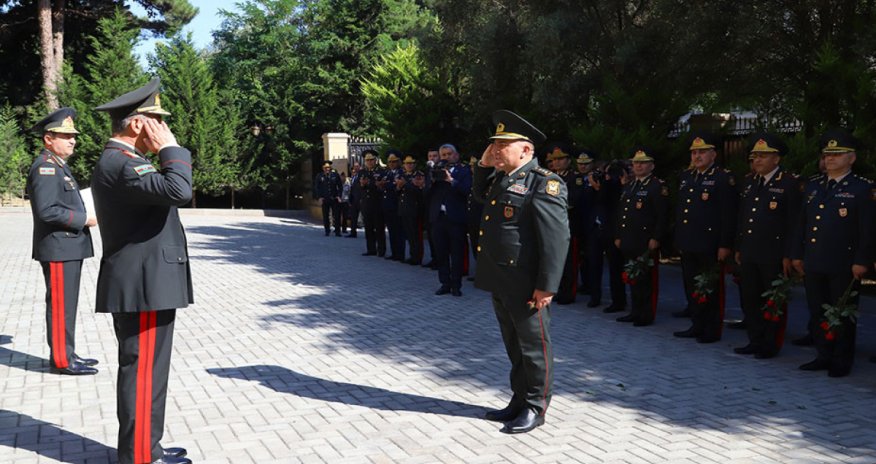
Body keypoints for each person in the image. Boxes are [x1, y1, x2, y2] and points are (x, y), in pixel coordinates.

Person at [91, 77, 193, 464]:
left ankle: (145, 446)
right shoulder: (121, 163)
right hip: (144, 283)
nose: (164, 128)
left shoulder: (124, 161)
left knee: (147, 369)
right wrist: (170, 148)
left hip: (145, 281)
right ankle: (140, 456)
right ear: (138, 124)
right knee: (144, 370)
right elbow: (179, 190)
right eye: (157, 121)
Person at [473, 110, 568, 434]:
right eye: (494, 144)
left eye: (503, 145)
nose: (496, 150)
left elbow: (556, 240)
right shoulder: (503, 178)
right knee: (514, 345)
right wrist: (484, 164)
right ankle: (519, 399)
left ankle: (536, 407)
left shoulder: (545, 183)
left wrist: (547, 286)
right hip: (502, 280)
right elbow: (478, 194)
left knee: (534, 347)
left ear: (525, 150)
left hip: (528, 284)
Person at [791, 128, 874, 377]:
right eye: (827, 154)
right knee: (818, 310)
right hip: (814, 260)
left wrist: (862, 261)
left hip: (844, 263)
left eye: (837, 154)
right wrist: (797, 254)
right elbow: (801, 224)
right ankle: (823, 354)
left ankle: (841, 359)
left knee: (842, 312)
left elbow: (868, 230)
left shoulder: (862, 189)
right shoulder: (814, 187)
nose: (830, 158)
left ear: (852, 158)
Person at [25, 107, 99, 375]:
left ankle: (66, 351)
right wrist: (84, 219)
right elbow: (47, 210)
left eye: (73, 135)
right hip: (59, 247)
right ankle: (62, 360)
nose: (73, 140)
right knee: (60, 306)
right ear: (48, 139)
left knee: (67, 306)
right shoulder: (45, 168)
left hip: (66, 246)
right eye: (65, 135)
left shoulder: (57, 166)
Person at [733, 133, 802, 359]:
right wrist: (739, 247)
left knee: (772, 300)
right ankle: (755, 340)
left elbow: (794, 223)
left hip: (774, 254)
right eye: (755, 156)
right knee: (750, 298)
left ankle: (771, 344)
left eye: (763, 156)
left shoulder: (789, 183)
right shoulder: (750, 181)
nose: (757, 160)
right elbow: (743, 217)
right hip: (751, 251)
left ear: (776, 159)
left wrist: (789, 255)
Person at [673, 132, 738, 343]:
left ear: (714, 154)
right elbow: (682, 211)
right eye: (694, 152)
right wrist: (680, 239)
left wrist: (725, 244)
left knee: (711, 289)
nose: (697, 156)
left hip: (710, 245)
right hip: (689, 242)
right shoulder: (686, 177)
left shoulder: (722, 178)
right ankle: (696, 324)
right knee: (692, 286)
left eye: (702, 152)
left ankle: (712, 329)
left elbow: (728, 215)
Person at [614, 148, 669, 326]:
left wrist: (656, 237)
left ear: (651, 166)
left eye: (643, 163)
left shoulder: (656, 186)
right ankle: (635, 311)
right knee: (633, 277)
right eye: (636, 163)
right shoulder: (630, 185)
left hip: (646, 240)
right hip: (629, 239)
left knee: (646, 280)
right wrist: (619, 235)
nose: (638, 166)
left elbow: (662, 216)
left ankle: (646, 314)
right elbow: (622, 213)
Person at [428, 144, 471, 296]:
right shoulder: (435, 172)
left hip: (455, 219)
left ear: (456, 155)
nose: (446, 157)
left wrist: (451, 180)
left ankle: (456, 285)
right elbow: (427, 193)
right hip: (438, 218)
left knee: (457, 253)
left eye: (449, 154)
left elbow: (466, 190)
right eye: (443, 155)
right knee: (441, 253)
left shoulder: (464, 171)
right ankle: (444, 283)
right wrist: (431, 180)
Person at [547, 146, 578, 304]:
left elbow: (573, 201)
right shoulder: (551, 178)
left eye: (560, 159)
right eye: (554, 160)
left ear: (568, 161)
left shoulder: (574, 178)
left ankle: (568, 292)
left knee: (568, 262)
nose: (557, 162)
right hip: (552, 225)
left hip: (567, 224)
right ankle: (557, 290)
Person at [572, 151, 597, 296]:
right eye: (580, 164)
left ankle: (591, 285)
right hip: (578, 222)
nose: (582, 166)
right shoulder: (575, 178)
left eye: (586, 164)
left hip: (592, 223)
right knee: (581, 256)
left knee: (591, 257)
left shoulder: (596, 178)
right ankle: (584, 283)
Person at [397, 156, 425, 264]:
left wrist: (406, 185)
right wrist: (399, 187)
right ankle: (412, 255)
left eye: (411, 163)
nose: (409, 165)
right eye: (407, 163)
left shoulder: (418, 175)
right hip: (404, 209)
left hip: (414, 209)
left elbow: (419, 192)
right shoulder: (402, 175)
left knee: (415, 235)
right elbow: (399, 193)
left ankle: (417, 257)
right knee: (408, 234)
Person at [359, 150, 387, 256]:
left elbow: (381, 185)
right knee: (368, 228)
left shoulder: (381, 171)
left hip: (377, 204)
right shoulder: (362, 172)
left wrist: (370, 183)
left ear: (376, 160)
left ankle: (381, 250)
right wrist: (363, 185)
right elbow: (358, 187)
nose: (370, 162)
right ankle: (371, 249)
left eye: (371, 160)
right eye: (367, 160)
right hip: (366, 204)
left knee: (379, 228)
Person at [381, 151, 405, 261]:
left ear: (399, 161)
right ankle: (394, 252)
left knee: (399, 231)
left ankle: (400, 254)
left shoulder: (401, 172)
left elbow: (394, 186)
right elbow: (383, 184)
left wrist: (387, 184)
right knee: (391, 230)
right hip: (387, 206)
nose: (391, 163)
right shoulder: (387, 173)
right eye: (390, 161)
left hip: (396, 205)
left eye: (394, 161)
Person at [313, 161, 343, 236]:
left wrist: (339, 196)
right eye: (326, 167)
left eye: (328, 167)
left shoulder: (335, 175)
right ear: (323, 168)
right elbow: (317, 187)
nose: (327, 169)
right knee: (326, 215)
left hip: (334, 198)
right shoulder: (319, 176)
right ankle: (327, 230)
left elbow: (340, 186)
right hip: (325, 199)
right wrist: (319, 197)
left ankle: (337, 231)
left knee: (336, 215)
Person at [422, 149, 441, 268]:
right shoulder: (427, 170)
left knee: (438, 236)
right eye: (430, 156)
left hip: (438, 207)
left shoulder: (440, 169)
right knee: (430, 235)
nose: (432, 158)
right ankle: (434, 258)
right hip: (428, 206)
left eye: (434, 156)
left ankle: (440, 260)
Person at [346, 162, 362, 238]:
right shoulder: (354, 177)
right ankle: (353, 232)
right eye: (354, 167)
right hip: (354, 200)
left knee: (366, 216)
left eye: (357, 166)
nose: (355, 168)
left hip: (361, 200)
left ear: (360, 167)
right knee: (353, 217)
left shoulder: (362, 175)